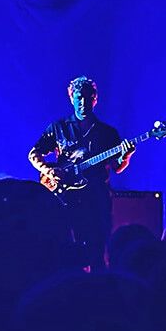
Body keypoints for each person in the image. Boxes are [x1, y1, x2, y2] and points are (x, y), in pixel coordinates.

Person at [28, 76, 135, 270]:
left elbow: (117, 167)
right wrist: (49, 171)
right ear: (71, 98)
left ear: (95, 99)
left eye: (87, 97)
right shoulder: (58, 128)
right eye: (79, 97)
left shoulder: (107, 133)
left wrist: (125, 156)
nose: (83, 102)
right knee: (65, 251)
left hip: (96, 200)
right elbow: (33, 154)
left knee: (97, 252)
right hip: (65, 198)